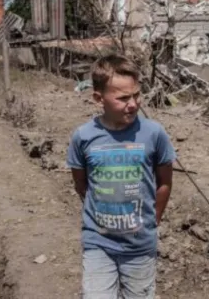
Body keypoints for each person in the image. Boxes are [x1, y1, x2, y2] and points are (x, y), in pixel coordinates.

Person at [67, 53, 176, 298]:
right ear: (99, 98)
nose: (133, 104)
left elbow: (165, 182)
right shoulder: (84, 137)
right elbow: (80, 183)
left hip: (140, 246)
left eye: (137, 94)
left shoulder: (154, 134)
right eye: (123, 98)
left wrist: (153, 219)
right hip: (98, 241)